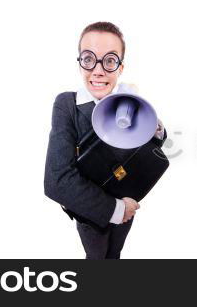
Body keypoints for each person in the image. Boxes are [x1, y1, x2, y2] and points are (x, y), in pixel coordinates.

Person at [44, 22, 166, 259]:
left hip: (129, 197)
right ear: (79, 62)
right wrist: (118, 210)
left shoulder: (130, 102)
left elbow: (148, 150)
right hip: (93, 210)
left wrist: (153, 124)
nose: (98, 71)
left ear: (121, 68)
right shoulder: (67, 105)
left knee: (115, 254)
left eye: (109, 61)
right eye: (89, 59)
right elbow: (56, 181)